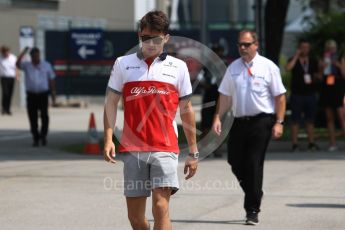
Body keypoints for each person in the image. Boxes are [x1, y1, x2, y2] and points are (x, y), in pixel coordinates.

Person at [103, 11, 198, 230]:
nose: (150, 43)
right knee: (136, 218)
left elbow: (187, 109)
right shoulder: (123, 64)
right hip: (132, 148)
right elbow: (110, 103)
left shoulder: (178, 67)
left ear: (166, 38)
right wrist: (108, 138)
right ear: (139, 35)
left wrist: (193, 153)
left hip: (165, 147)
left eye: (156, 39)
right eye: (145, 38)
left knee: (160, 207)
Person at [213, 29, 286, 225]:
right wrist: (217, 118)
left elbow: (280, 97)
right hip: (238, 121)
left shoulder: (268, 67)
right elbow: (225, 96)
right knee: (234, 160)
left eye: (246, 44)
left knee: (254, 164)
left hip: (261, 121)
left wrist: (279, 122)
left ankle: (252, 210)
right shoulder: (233, 68)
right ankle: (255, 191)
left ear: (256, 45)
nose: (242, 48)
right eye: (240, 45)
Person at [16, 47, 56, 147]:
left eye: (37, 56)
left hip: (43, 94)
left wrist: (53, 94)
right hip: (31, 95)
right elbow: (17, 64)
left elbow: (51, 79)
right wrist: (23, 52)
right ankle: (35, 137)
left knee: (44, 116)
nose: (36, 58)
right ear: (31, 57)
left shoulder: (46, 65)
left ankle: (43, 136)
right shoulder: (27, 65)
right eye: (34, 56)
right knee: (32, 117)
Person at [285, 40, 320, 152]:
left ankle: (311, 143)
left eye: (307, 47)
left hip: (310, 94)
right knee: (295, 120)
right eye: (302, 47)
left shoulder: (313, 60)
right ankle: (295, 144)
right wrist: (296, 56)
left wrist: (317, 76)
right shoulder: (293, 59)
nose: (305, 49)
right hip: (297, 94)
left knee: (310, 120)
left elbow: (319, 75)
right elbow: (287, 68)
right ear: (299, 48)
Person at [318, 39, 345, 151]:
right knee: (329, 117)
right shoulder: (323, 59)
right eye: (329, 49)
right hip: (327, 87)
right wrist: (322, 67)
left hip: (338, 87)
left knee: (341, 116)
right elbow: (319, 77)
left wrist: (339, 65)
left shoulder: (340, 58)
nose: (331, 51)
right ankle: (332, 143)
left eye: (333, 48)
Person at [0, 45, 18, 115]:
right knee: (5, 93)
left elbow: (16, 67)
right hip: (4, 77)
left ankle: (8, 109)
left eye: (7, 52)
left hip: (11, 77)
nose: (6, 54)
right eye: (4, 52)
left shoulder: (13, 58)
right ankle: (4, 108)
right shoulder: (0, 58)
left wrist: (17, 75)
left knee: (10, 94)